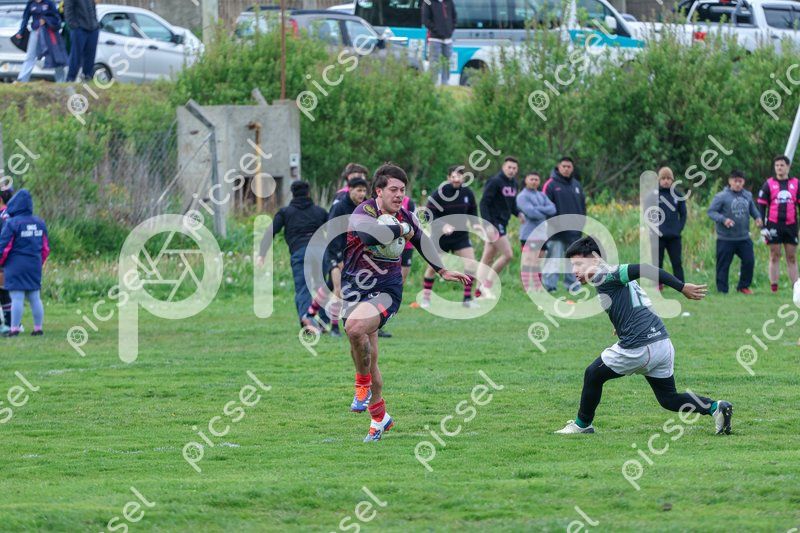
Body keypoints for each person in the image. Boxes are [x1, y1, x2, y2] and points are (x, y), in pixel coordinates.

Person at [341, 163, 469, 442]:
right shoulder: (364, 212)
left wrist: (442, 270)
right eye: (393, 189)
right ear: (379, 191)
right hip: (355, 288)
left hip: (386, 289)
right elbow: (369, 235)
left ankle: (361, 386)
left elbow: (421, 239)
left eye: (403, 190)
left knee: (355, 329)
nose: (400, 195)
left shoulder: (405, 215)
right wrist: (402, 228)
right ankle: (379, 418)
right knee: (368, 355)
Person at [555, 236, 733, 435]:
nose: (574, 271)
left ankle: (582, 425)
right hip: (662, 344)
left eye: (579, 264)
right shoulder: (608, 275)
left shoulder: (607, 274)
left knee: (593, 374)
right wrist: (620, 325)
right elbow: (631, 300)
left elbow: (646, 269)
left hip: (639, 346)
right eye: (572, 265)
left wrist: (681, 287)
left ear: (595, 259)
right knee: (668, 399)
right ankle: (715, 407)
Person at [257, 181, 329, 330]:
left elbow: (270, 232)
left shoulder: (285, 212)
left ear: (293, 194)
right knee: (321, 286)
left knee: (303, 288)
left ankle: (306, 320)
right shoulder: (320, 211)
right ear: (308, 193)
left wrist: (262, 254)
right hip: (319, 252)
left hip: (299, 252)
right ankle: (323, 322)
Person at [305, 175, 370, 337]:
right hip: (335, 251)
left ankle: (310, 313)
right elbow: (332, 233)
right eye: (359, 190)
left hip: (353, 253)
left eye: (364, 190)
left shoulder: (365, 207)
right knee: (338, 288)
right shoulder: (339, 206)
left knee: (329, 286)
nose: (362, 194)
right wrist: (339, 258)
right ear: (350, 190)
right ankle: (334, 327)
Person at [421, 165, 479, 308]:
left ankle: (467, 299)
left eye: (459, 176)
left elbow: (472, 211)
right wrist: (442, 226)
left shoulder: (467, 193)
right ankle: (426, 299)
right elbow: (427, 215)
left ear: (463, 177)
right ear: (448, 178)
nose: (456, 179)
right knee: (432, 267)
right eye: (453, 176)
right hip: (440, 237)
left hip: (461, 236)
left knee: (471, 264)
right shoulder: (440, 193)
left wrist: (476, 225)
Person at [0, 190, 50, 337]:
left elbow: (4, 247)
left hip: (15, 265)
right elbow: (45, 248)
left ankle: (14, 328)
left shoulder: (12, 223)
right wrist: (39, 262)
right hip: (34, 264)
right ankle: (38, 328)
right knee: (35, 297)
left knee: (17, 297)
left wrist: (1, 263)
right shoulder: (40, 223)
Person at [707, 170, 763, 294]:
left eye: (740, 181)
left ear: (743, 182)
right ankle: (722, 290)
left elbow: (753, 210)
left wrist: (758, 218)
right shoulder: (721, 196)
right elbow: (711, 212)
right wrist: (723, 220)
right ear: (730, 181)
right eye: (735, 181)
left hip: (743, 237)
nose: (737, 184)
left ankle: (743, 287)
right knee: (723, 265)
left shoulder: (747, 195)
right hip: (725, 238)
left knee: (749, 261)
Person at [477, 156, 519, 299]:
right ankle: (486, 286)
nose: (511, 170)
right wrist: (487, 224)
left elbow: (511, 205)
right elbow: (483, 203)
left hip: (503, 223)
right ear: (503, 167)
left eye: (514, 168)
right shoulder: (495, 181)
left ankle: (478, 292)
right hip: (494, 224)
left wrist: (519, 213)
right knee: (508, 255)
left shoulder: (514, 184)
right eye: (509, 167)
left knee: (487, 258)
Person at [542, 156, 586, 292]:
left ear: (572, 168)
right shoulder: (550, 184)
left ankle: (573, 285)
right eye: (564, 166)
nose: (566, 169)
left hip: (575, 232)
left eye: (569, 167)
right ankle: (550, 286)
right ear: (559, 167)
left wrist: (581, 224)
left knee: (573, 260)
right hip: (556, 232)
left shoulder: (577, 185)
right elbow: (545, 207)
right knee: (553, 259)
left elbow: (582, 207)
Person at [757, 155, 799, 293]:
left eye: (782, 165)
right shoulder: (769, 184)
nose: (779, 168)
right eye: (777, 165)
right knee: (774, 255)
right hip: (774, 225)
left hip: (791, 225)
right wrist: (763, 226)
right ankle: (774, 287)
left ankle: (796, 288)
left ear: (788, 167)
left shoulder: (796, 183)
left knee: (791, 257)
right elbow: (762, 205)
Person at [517, 171, 556, 293]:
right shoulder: (522, 196)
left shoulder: (542, 195)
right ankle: (526, 287)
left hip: (542, 234)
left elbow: (553, 209)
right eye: (531, 179)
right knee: (528, 261)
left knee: (538, 261)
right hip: (528, 234)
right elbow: (531, 213)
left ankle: (538, 287)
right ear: (526, 180)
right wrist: (543, 211)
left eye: (536, 179)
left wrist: (537, 209)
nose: (534, 182)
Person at [650, 166, 687, 285]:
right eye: (663, 178)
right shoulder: (653, 195)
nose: (666, 181)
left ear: (672, 180)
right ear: (659, 180)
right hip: (658, 237)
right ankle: (657, 284)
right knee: (657, 263)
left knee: (677, 262)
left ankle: (680, 285)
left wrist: (678, 229)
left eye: (668, 178)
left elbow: (683, 214)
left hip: (674, 237)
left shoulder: (678, 195)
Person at [15, 0, 67, 82]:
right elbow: (25, 18)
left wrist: (46, 20)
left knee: (55, 56)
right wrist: (21, 32)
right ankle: (22, 79)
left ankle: (61, 81)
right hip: (36, 31)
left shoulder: (49, 2)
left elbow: (57, 18)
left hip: (49, 32)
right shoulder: (31, 3)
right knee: (30, 56)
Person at [421, 0, 456, 85]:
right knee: (434, 62)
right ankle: (433, 84)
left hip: (448, 38)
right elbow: (426, 20)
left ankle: (445, 83)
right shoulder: (428, 1)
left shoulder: (449, 1)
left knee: (447, 61)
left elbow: (454, 17)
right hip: (434, 38)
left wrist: (450, 30)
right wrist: (436, 30)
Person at [64, 0, 99, 82]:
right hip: (79, 29)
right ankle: (70, 79)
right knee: (76, 56)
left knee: (90, 55)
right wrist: (74, 26)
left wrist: (96, 25)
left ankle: (88, 77)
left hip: (93, 28)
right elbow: (68, 10)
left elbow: (93, 8)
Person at [0, 187, 13, 333]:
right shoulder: (13, 214)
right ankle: (11, 323)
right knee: (5, 292)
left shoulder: (5, 217)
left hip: (3, 258)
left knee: (4, 292)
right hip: (9, 259)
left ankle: (8, 324)